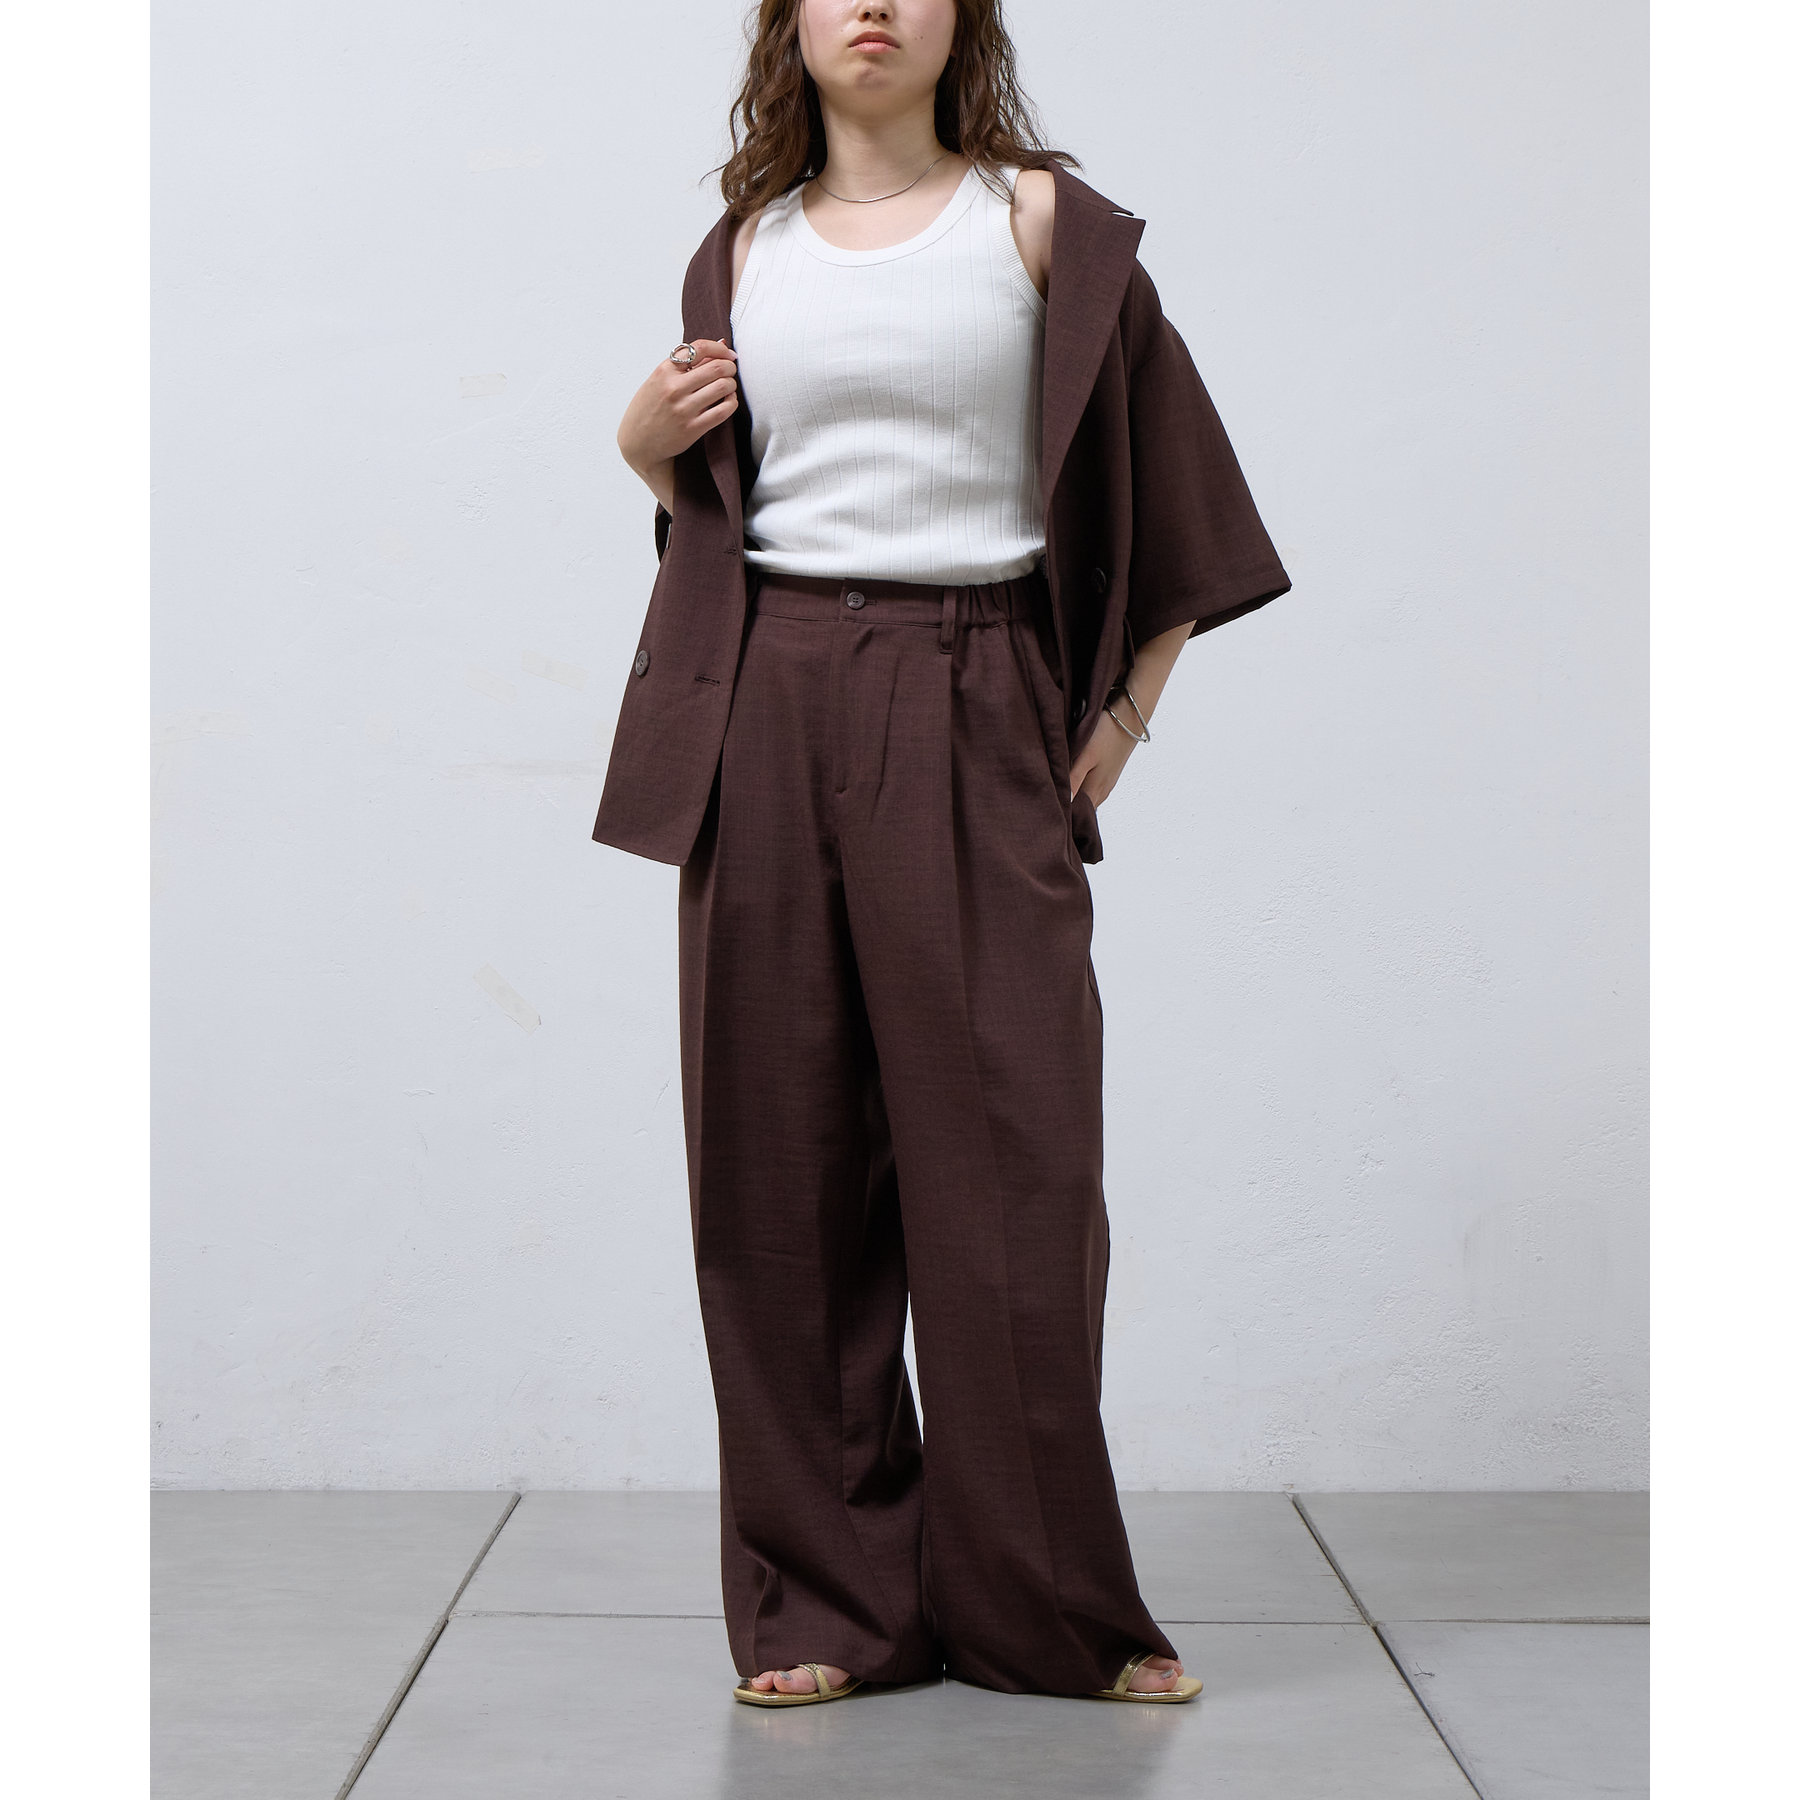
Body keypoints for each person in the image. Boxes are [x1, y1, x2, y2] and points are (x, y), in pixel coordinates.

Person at [597, 0, 1289, 1706]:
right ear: (789, 27)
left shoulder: (1039, 225)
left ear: (960, 18)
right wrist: (642, 453)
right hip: (763, 702)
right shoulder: (740, 251)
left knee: (1014, 1166)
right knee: (776, 1172)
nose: (874, 6)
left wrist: (1119, 720)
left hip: (977, 684)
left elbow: (1182, 491)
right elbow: (724, 511)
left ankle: (1048, 1608)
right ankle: (829, 1608)